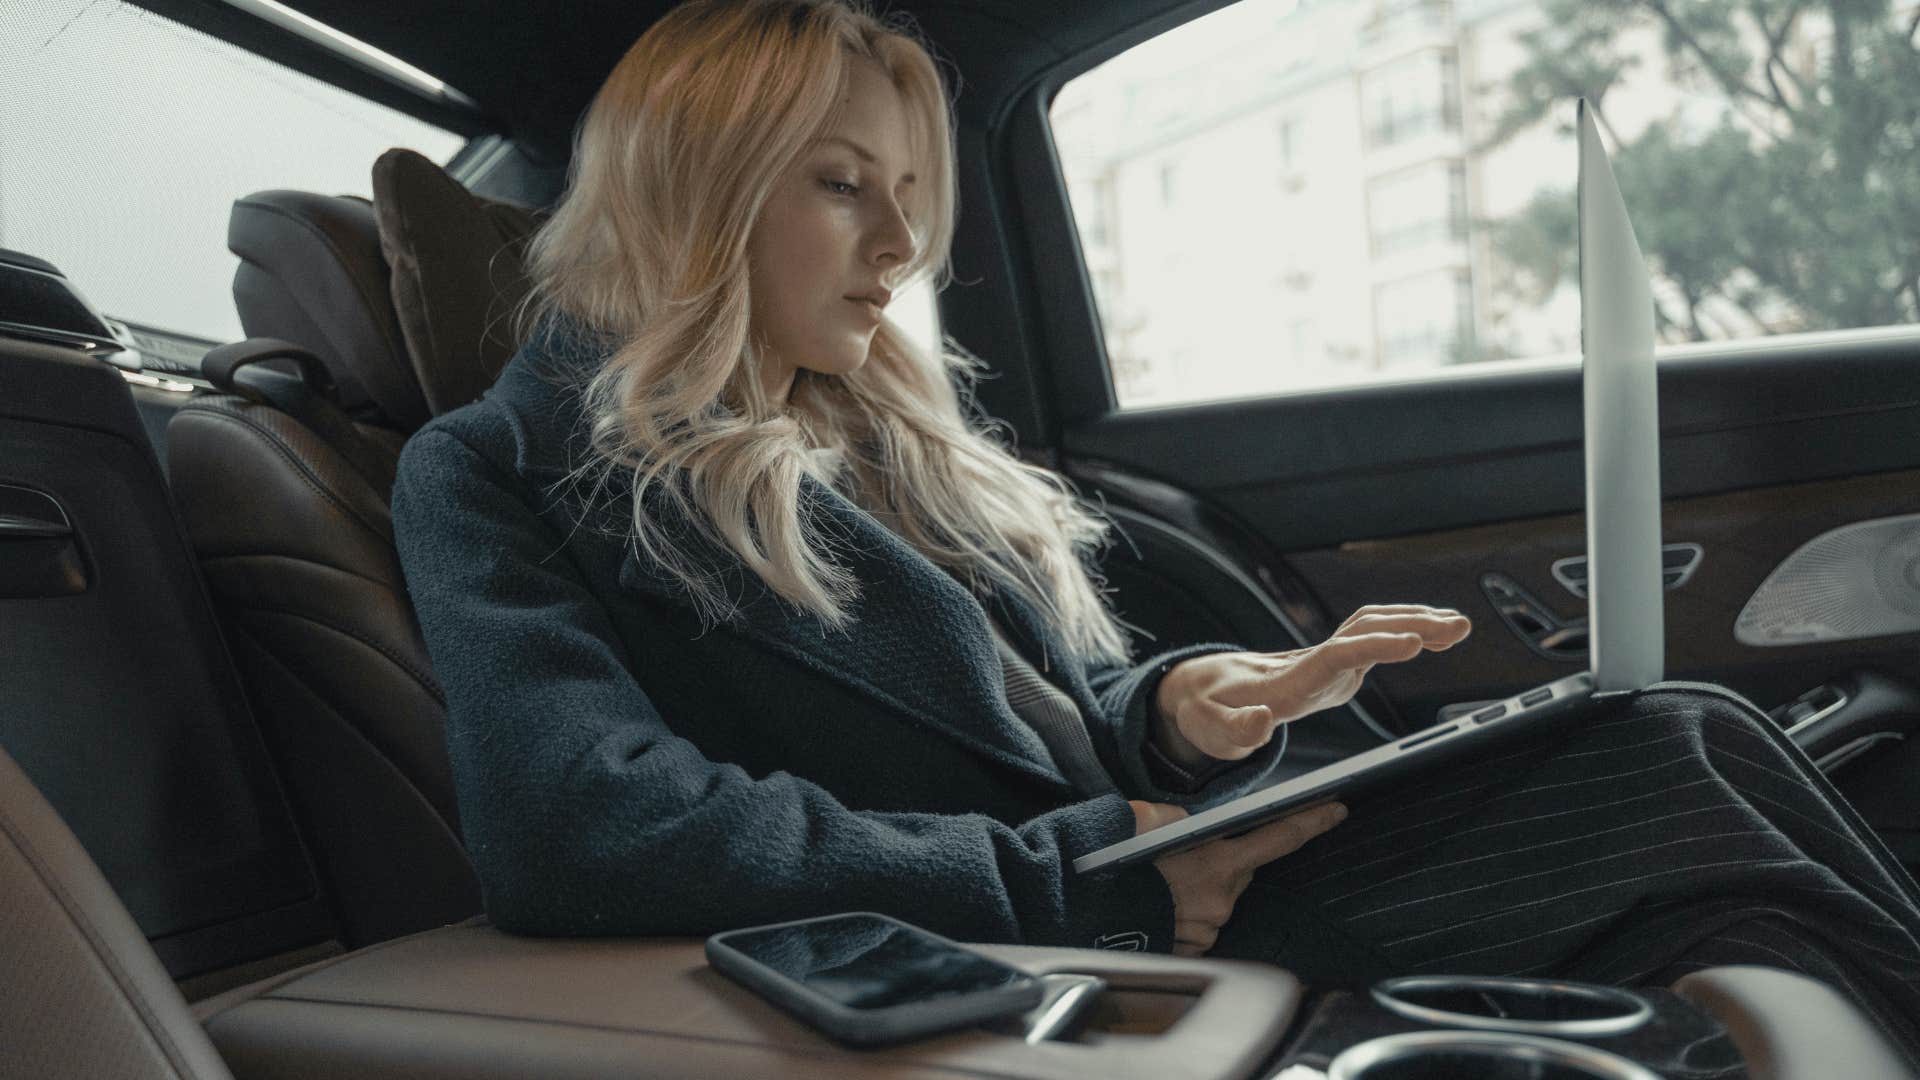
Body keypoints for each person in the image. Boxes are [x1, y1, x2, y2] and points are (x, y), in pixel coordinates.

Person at [390, 0, 1920, 1060]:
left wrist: (1188, 715)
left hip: (1163, 867)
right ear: (694, 193)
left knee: (1699, 744)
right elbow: (581, 825)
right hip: (1068, 934)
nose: (904, 247)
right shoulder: (504, 468)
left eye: (912, 194)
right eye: (843, 186)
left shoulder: (879, 435)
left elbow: (1060, 713)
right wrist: (1065, 877)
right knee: (1665, 748)